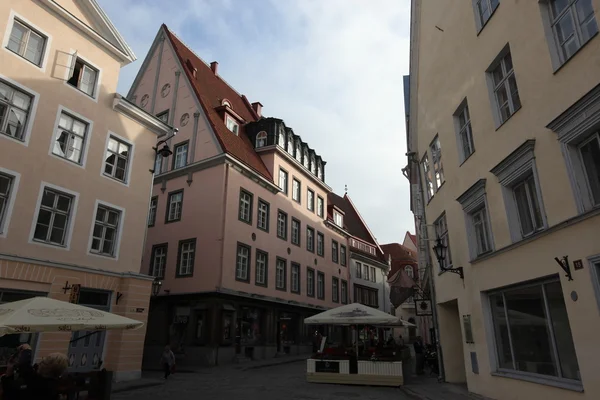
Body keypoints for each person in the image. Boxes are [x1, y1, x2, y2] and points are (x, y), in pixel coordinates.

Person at [1, 346, 68, 400]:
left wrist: (27, 350)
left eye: (44, 362)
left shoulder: (39, 383)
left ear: (48, 368)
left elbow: (24, 366)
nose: (40, 363)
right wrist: (9, 370)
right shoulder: (53, 387)